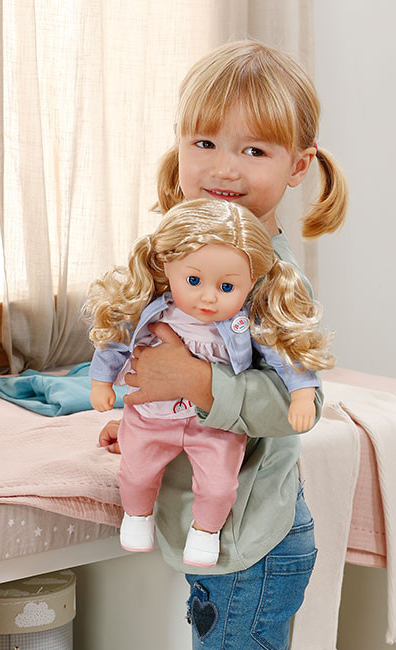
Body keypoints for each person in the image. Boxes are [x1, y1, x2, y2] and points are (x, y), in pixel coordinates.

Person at [100, 40, 355, 650]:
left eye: (255, 149)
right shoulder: (187, 254)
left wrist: (195, 386)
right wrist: (145, 410)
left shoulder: (272, 277)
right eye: (206, 142)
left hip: (250, 546)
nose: (224, 166)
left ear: (299, 167)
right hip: (241, 536)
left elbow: (295, 408)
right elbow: (158, 362)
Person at [86, 197, 333, 567]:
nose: (208, 297)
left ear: (252, 281)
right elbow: (116, 341)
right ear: (167, 266)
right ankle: (137, 517)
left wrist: (301, 393)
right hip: (153, 416)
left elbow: (284, 353)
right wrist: (101, 382)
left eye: (227, 287)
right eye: (194, 281)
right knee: (136, 473)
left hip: (214, 426)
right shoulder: (152, 307)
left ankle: (206, 532)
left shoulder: (248, 318)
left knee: (218, 484)